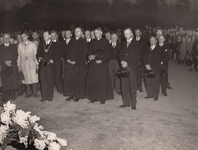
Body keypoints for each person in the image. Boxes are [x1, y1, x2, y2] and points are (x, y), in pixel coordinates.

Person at [86, 27, 113, 104]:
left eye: (97, 33)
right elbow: (89, 51)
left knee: (102, 81)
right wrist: (89, 56)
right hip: (94, 64)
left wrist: (101, 60)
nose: (96, 35)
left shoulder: (105, 42)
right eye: (95, 33)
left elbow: (108, 54)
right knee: (94, 81)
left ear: (101, 33)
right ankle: (94, 97)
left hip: (102, 64)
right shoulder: (93, 41)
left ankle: (102, 98)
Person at [119, 28, 140, 110]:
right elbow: (120, 54)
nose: (126, 35)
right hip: (124, 67)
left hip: (132, 68)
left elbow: (137, 56)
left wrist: (127, 62)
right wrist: (122, 62)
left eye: (127, 33)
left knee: (132, 86)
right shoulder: (124, 43)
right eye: (125, 34)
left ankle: (133, 104)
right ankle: (126, 103)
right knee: (124, 86)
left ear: (132, 34)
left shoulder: (136, 43)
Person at [64, 27, 87, 102]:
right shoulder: (72, 40)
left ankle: (78, 95)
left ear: (81, 33)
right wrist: (68, 59)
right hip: (70, 63)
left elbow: (83, 54)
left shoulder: (83, 42)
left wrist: (75, 61)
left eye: (78, 31)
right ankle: (71, 94)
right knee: (70, 80)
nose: (76, 33)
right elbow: (67, 51)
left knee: (78, 80)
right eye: (76, 32)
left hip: (78, 64)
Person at [36, 31, 60, 102]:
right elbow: (38, 54)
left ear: (50, 36)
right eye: (43, 36)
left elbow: (58, 54)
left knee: (50, 80)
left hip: (50, 65)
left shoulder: (55, 44)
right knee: (43, 80)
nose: (44, 37)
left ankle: (49, 97)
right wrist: (39, 58)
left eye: (46, 35)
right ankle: (44, 97)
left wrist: (53, 60)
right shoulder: (41, 44)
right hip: (43, 65)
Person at [17, 32, 39, 98]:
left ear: (27, 36)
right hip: (24, 64)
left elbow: (36, 55)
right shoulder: (20, 45)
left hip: (32, 63)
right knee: (26, 79)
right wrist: (19, 65)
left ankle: (35, 93)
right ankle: (28, 93)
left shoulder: (32, 44)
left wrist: (37, 64)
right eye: (22, 37)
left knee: (33, 78)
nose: (23, 38)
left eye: (24, 36)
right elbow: (19, 56)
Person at [0, 33, 18, 101]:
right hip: (4, 67)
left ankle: (13, 96)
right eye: (5, 38)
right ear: (3, 39)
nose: (6, 39)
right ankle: (6, 97)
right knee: (5, 82)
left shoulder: (13, 46)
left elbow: (16, 55)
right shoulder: (0, 47)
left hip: (12, 66)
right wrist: (5, 62)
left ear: (10, 38)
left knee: (12, 82)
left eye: (7, 38)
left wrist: (11, 61)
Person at [143, 36, 162, 101]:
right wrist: (146, 64)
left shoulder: (159, 49)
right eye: (151, 40)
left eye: (153, 40)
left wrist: (150, 65)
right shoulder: (147, 48)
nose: (152, 42)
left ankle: (155, 95)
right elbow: (144, 57)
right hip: (147, 67)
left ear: (156, 41)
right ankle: (150, 94)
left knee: (155, 82)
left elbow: (158, 59)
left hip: (155, 68)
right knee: (148, 81)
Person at [135, 28, 147, 92]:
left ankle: (140, 87)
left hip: (140, 59)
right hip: (134, 60)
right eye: (136, 32)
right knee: (134, 73)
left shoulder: (143, 41)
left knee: (139, 74)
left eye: (138, 32)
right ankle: (135, 86)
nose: (137, 33)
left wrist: (139, 58)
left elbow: (144, 51)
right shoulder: (133, 40)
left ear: (140, 33)